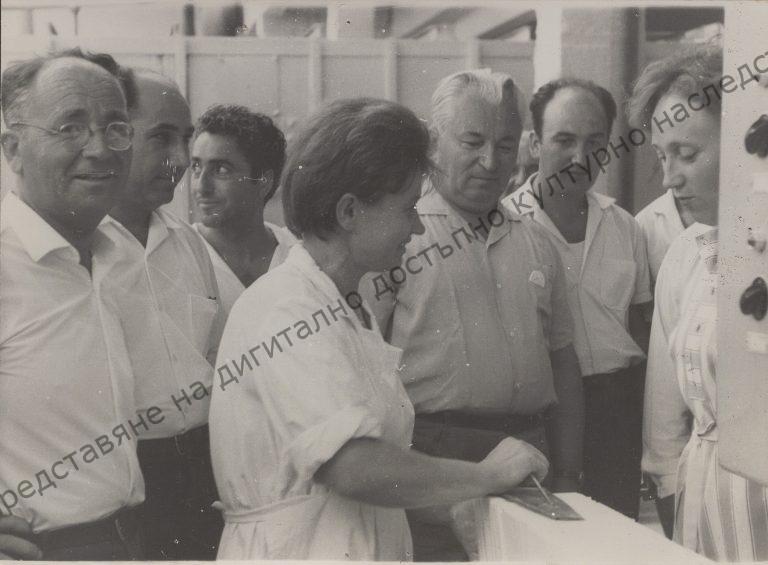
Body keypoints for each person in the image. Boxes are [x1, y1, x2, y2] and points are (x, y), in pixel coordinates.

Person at [208, 97, 549, 561]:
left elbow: (375, 476)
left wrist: (459, 504)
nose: (418, 227)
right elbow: (353, 467)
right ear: (349, 212)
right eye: (408, 208)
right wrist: (488, 475)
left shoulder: (347, 308)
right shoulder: (286, 310)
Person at [360, 69, 584, 561]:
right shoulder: (398, 237)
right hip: (431, 456)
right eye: (472, 142)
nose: (490, 162)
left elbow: (563, 361)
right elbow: (360, 363)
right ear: (434, 142)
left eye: (504, 145)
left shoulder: (537, 241)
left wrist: (569, 471)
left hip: (528, 455)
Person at [0, 50, 145, 559]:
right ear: (14, 149)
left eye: (116, 128)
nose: (100, 149)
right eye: (70, 128)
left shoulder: (120, 252)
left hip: (130, 541)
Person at [634, 45, 768, 562]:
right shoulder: (687, 255)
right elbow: (664, 417)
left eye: (686, 155)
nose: (669, 178)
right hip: (700, 499)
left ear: (743, 144)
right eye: (661, 156)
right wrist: (671, 495)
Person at [501, 78, 652, 520]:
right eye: (564, 140)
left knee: (617, 533)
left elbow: (641, 327)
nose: (580, 157)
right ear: (535, 143)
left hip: (617, 412)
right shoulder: (504, 227)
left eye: (594, 142)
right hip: (542, 416)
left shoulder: (625, 227)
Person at [100, 68, 225, 560]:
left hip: (202, 466)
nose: (179, 159)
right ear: (114, 135)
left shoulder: (188, 243)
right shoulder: (75, 251)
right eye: (161, 138)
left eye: (185, 139)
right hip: (120, 476)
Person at [191, 104, 296, 318]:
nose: (201, 187)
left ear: (263, 181)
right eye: (196, 167)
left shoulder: (295, 255)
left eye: (221, 170)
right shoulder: (183, 252)